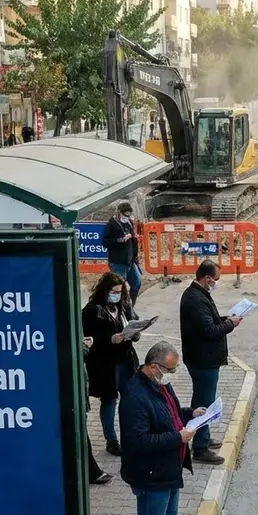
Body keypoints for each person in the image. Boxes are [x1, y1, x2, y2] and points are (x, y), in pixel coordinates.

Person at [120, 342, 199, 515]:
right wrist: (178, 438)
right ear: (154, 367)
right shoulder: (135, 396)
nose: (171, 375)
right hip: (150, 476)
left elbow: (170, 415)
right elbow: (138, 441)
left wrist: (190, 414)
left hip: (168, 470)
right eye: (169, 370)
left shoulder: (159, 386)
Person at [179, 260, 241, 465]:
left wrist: (224, 319)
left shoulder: (199, 295)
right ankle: (201, 447)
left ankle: (201, 435)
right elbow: (209, 331)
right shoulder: (195, 299)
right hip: (203, 359)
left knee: (201, 400)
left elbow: (209, 321)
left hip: (201, 357)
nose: (216, 283)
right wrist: (229, 325)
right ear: (206, 278)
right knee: (204, 403)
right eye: (215, 280)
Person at [82, 272, 139, 456]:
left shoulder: (123, 305)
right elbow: (87, 339)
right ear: (105, 291)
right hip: (106, 363)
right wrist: (109, 339)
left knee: (129, 398)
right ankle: (111, 439)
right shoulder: (93, 310)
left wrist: (135, 332)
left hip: (125, 359)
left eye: (120, 291)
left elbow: (132, 321)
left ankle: (130, 435)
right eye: (114, 291)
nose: (117, 295)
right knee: (109, 400)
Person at [82, 335, 114, 485]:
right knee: (80, 432)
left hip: (79, 392)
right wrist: (85, 347)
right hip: (73, 394)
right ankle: (91, 471)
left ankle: (91, 470)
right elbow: (70, 350)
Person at [103, 201, 143, 305]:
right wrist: (120, 240)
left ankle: (130, 309)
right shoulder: (111, 225)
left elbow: (133, 240)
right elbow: (105, 242)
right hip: (118, 263)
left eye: (128, 215)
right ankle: (118, 311)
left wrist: (135, 255)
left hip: (130, 261)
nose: (126, 218)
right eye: (125, 215)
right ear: (119, 212)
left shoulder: (129, 222)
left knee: (136, 284)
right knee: (117, 290)